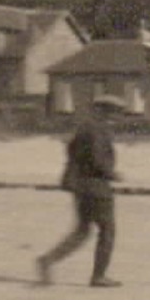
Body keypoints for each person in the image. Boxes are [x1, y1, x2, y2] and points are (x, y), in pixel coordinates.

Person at [36, 94, 125, 288]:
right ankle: (98, 276)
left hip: (81, 186)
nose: (118, 116)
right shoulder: (97, 130)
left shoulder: (85, 127)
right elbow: (97, 159)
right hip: (97, 187)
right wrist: (112, 174)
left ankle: (47, 260)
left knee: (82, 231)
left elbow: (72, 152)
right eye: (115, 111)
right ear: (103, 110)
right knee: (107, 231)